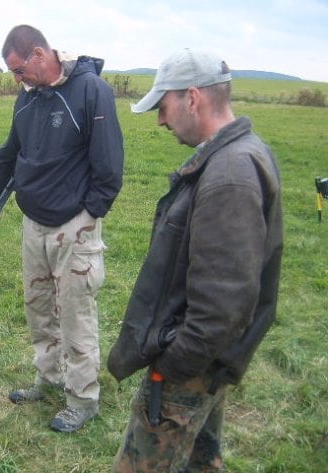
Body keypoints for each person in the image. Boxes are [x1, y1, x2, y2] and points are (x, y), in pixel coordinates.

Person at [107, 49, 283, 471]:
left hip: (190, 367)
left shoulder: (229, 174)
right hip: (208, 361)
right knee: (201, 462)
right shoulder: (240, 153)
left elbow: (222, 305)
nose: (161, 120)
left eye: (163, 107)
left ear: (192, 98)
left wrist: (168, 369)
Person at [0, 25, 124, 433]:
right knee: (39, 307)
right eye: (13, 74)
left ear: (39, 54)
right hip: (33, 222)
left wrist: (89, 215)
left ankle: (83, 397)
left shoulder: (91, 91)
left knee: (76, 313)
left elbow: (109, 166)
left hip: (75, 224)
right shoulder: (28, 98)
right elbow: (10, 152)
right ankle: (49, 378)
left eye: (19, 70)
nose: (17, 80)